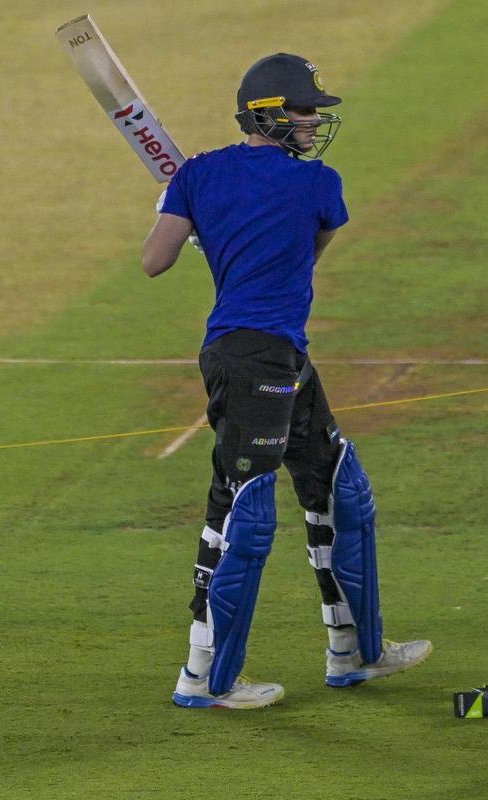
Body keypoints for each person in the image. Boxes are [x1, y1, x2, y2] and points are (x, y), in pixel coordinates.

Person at [142, 53, 431, 709]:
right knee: (243, 512)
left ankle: (355, 649)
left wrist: (185, 212)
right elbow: (309, 252)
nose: (313, 123)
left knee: (340, 485)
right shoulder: (318, 186)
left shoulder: (196, 176)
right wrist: (239, 234)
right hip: (253, 362)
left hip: (274, 355)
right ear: (271, 115)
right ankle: (204, 678)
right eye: (304, 111)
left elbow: (155, 258)